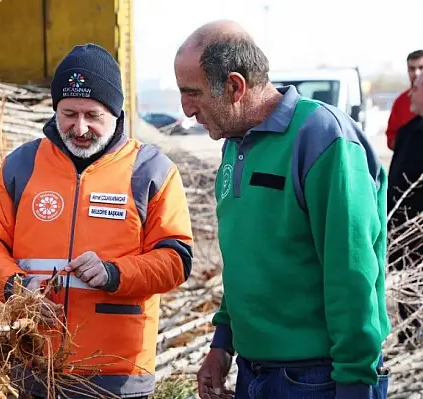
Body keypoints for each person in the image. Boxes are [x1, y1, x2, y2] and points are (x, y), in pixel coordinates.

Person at [0, 43, 194, 399]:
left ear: (116, 113)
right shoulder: (22, 165)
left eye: (93, 115)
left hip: (117, 374)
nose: (80, 127)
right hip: (33, 365)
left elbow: (176, 260)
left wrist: (113, 274)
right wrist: (16, 288)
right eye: (69, 113)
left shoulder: (151, 170)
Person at [173, 20, 390, 399]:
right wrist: (222, 342)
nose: (186, 109)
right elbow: (248, 257)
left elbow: (351, 271)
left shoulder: (323, 137)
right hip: (252, 373)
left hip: (317, 378)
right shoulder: (234, 144)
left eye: (192, 93)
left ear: (235, 87)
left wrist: (355, 380)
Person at [387, 73, 423, 346]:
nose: (409, 94)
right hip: (402, 229)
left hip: (418, 227)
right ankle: (410, 337)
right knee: (406, 289)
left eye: (416, 88)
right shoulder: (409, 131)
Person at [385, 50, 423, 150]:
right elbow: (391, 137)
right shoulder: (400, 102)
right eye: (412, 69)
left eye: (421, 68)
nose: (417, 73)